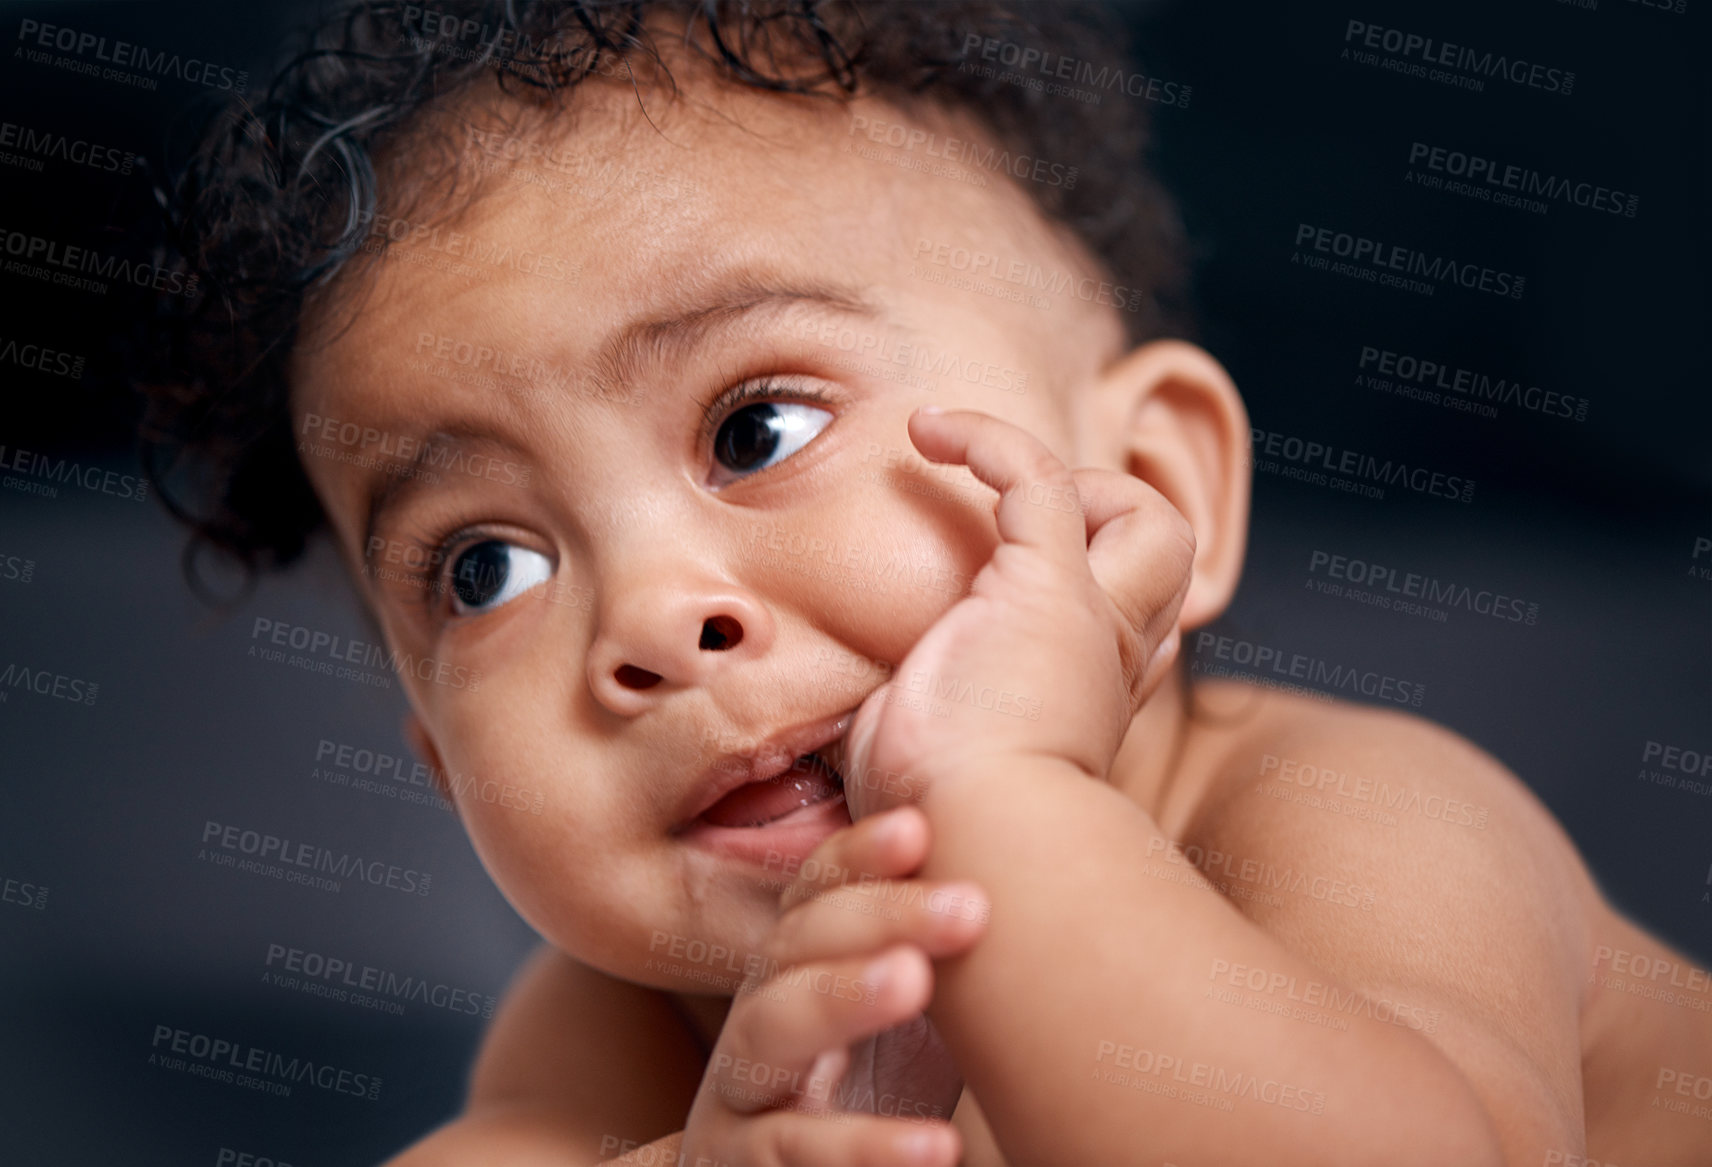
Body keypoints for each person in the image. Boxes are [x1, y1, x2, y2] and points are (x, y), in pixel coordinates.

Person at [139, 2, 1712, 1164]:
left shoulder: (1357, 819)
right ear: (434, 758)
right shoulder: (635, 1015)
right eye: (485, 568)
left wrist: (1005, 794)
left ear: (1146, 491)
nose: (644, 622)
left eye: (757, 428)